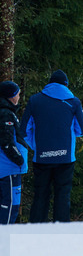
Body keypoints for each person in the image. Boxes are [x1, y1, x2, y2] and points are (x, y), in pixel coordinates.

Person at [22, 70, 83, 223]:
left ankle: (36, 230)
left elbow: (24, 130)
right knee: (62, 196)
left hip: (42, 157)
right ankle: (61, 231)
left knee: (40, 195)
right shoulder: (73, 102)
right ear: (66, 85)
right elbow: (82, 129)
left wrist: (36, 145)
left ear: (49, 84)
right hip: (65, 158)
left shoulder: (35, 100)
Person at [0, 80, 28, 225]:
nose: (19, 97)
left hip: (8, 167)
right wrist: (19, 159)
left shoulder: (7, 112)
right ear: (10, 96)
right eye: (17, 94)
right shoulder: (6, 114)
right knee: (10, 207)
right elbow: (7, 142)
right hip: (9, 168)